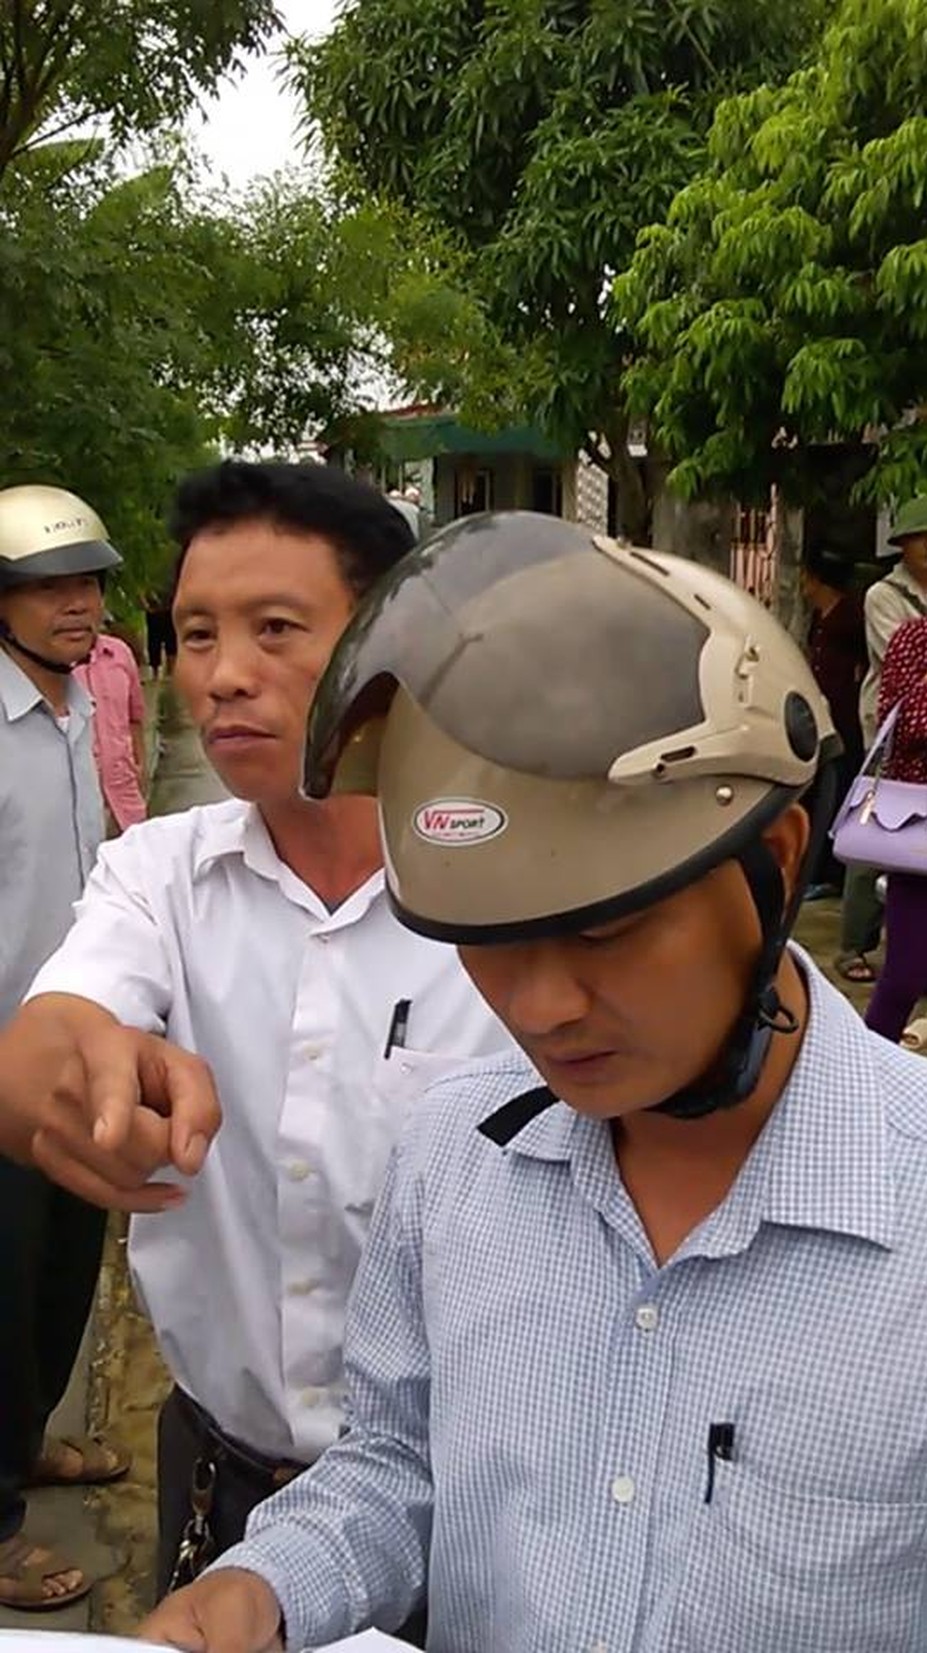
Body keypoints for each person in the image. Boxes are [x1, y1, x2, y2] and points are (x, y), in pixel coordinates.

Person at [141, 513, 927, 1653]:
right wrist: (263, 1587)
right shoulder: (454, 1154)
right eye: (488, 940)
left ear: (778, 862)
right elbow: (397, 1464)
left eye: (607, 931)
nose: (541, 1008)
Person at [14, 460, 514, 1602]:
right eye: (195, 635)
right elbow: (55, 1034)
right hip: (220, 1481)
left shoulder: (516, 904)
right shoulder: (159, 879)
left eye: (277, 628)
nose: (224, 676)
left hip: (480, 1506)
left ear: (393, 643)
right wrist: (69, 1078)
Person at [0, 484, 129, 1611]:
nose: (76, 605)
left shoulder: (81, 705)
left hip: (75, 1052)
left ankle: (30, 1437)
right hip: (2, 1069)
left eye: (86, 583)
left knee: (62, 1278)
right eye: (48, 588)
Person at [838, 495, 927, 982]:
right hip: (892, 731)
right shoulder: (884, 596)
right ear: (905, 545)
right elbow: (902, 658)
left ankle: (914, 950)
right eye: (923, 540)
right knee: (875, 831)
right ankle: (854, 943)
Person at [864, 614, 927, 1042]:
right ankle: (867, 1070)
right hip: (919, 829)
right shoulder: (916, 637)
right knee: (905, 974)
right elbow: (900, 723)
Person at [799, 549, 866, 897]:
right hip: (821, 716)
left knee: (842, 791)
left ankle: (832, 873)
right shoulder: (819, 618)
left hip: (847, 719)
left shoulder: (852, 616)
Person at [75, 629, 148, 832]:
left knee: (138, 852)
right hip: (78, 788)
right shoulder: (51, 664)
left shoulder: (119, 652)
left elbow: (135, 715)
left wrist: (140, 762)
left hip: (123, 781)